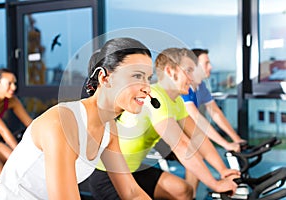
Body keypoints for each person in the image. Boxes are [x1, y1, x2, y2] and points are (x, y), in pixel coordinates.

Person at [0, 37, 153, 200]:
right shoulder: (61, 123)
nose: (147, 87)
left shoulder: (109, 128)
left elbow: (132, 193)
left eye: (148, 78)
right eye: (137, 76)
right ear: (104, 78)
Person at [87, 47, 240, 200]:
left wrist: (223, 170)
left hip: (134, 170)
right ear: (170, 71)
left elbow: (199, 138)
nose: (192, 78)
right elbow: (181, 146)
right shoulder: (154, 96)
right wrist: (216, 184)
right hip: (108, 175)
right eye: (188, 71)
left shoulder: (177, 102)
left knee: (183, 191)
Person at [181, 48, 247, 196]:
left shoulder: (201, 86)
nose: (210, 67)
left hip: (187, 135)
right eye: (206, 63)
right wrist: (226, 144)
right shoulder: (183, 87)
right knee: (195, 150)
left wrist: (236, 139)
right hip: (166, 137)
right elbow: (197, 119)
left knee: (195, 146)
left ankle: (193, 193)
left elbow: (216, 113)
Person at [0, 68, 33, 180]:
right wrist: (19, 154)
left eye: (15, 83)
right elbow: (2, 130)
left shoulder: (12, 101)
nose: (14, 87)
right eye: (9, 83)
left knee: (17, 167)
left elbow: (31, 125)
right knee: (1, 176)